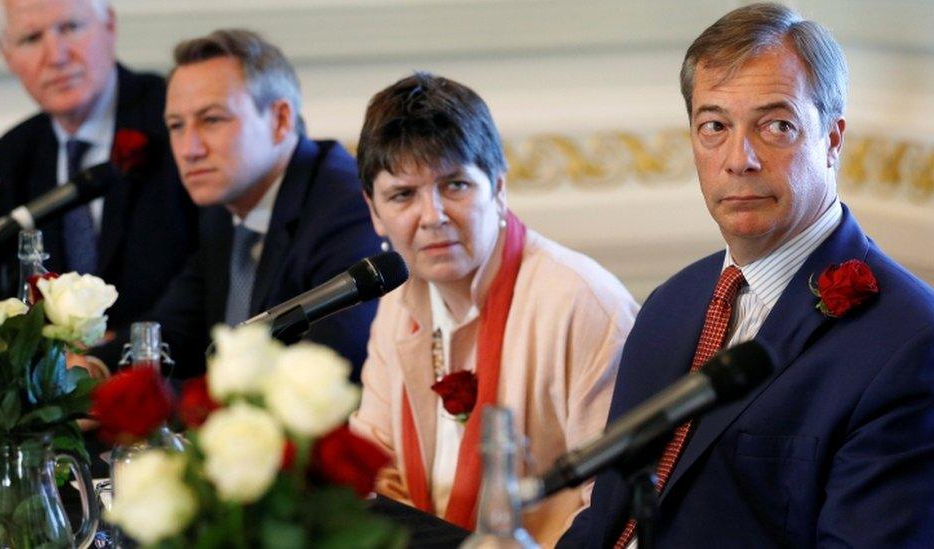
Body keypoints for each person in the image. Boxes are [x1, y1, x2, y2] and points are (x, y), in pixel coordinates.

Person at [560, 4, 934, 547]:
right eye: (714, 126)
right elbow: (609, 517)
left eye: (776, 126)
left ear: (832, 139)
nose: (740, 159)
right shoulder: (671, 303)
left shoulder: (909, 341)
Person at [349, 72, 639, 547]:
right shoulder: (394, 307)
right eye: (403, 195)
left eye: (455, 185)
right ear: (374, 211)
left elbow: (614, 505)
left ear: (499, 187)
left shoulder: (579, 300)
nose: (433, 215)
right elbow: (374, 475)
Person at [102, 29, 383, 379]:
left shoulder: (344, 207)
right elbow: (174, 328)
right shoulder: (224, 208)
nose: (190, 149)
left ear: (280, 120)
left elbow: (327, 369)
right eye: (176, 125)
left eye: (212, 120)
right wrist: (94, 367)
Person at [0, 0, 198, 334]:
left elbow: (210, 265)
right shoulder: (18, 150)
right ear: (7, 56)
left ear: (110, 26)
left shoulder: (176, 118)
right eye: (31, 39)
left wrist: (112, 352)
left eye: (70, 28)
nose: (57, 56)